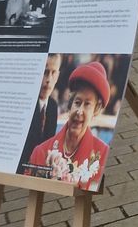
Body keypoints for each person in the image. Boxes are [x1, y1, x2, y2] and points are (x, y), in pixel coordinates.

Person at [26, 60, 110, 190]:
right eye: (77, 102)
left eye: (87, 104)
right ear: (70, 105)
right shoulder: (40, 151)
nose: (79, 111)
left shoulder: (103, 154)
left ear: (95, 110)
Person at [19, 54, 61, 170]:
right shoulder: (25, 103)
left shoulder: (53, 106)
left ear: (57, 76)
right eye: (45, 72)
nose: (49, 79)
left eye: (53, 73)